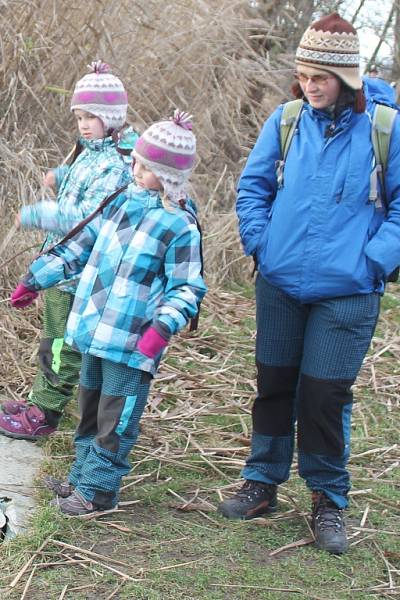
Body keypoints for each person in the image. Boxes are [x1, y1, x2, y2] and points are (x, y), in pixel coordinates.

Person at [219, 13, 400, 555]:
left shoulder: (384, 129)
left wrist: (373, 262)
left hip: (347, 290)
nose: (310, 84)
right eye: (303, 74)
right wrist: (261, 243)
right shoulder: (287, 119)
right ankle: (261, 483)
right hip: (279, 282)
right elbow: (252, 187)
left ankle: (328, 500)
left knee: (322, 395)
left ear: (346, 76)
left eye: (320, 75)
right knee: (273, 385)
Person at [9, 111, 206, 514]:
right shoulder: (120, 204)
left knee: (116, 417)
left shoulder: (178, 226)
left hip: (134, 343)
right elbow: (79, 244)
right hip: (94, 332)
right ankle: (80, 478)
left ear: (168, 175)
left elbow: (187, 288)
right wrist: (37, 278)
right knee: (90, 409)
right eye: (136, 161)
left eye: (146, 167)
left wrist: (161, 329)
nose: (135, 169)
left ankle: (99, 489)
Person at [0, 61, 133, 441]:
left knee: (63, 343)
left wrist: (40, 213)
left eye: (92, 117)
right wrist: (62, 175)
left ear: (113, 118)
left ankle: (45, 412)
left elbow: (86, 216)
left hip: (80, 270)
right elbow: (85, 181)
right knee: (52, 337)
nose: (84, 125)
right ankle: (40, 398)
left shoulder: (117, 165)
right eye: (80, 117)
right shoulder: (92, 153)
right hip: (63, 265)